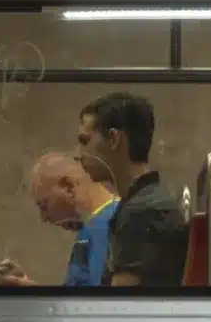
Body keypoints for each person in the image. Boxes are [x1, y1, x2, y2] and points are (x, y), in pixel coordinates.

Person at [77, 92, 187, 286]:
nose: (78, 155)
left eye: (85, 141)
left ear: (113, 139)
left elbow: (121, 302)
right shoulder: (144, 202)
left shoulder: (142, 212)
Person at [0, 153, 120, 288]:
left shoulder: (110, 223)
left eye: (44, 206)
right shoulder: (93, 225)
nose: (43, 218)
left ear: (68, 186)